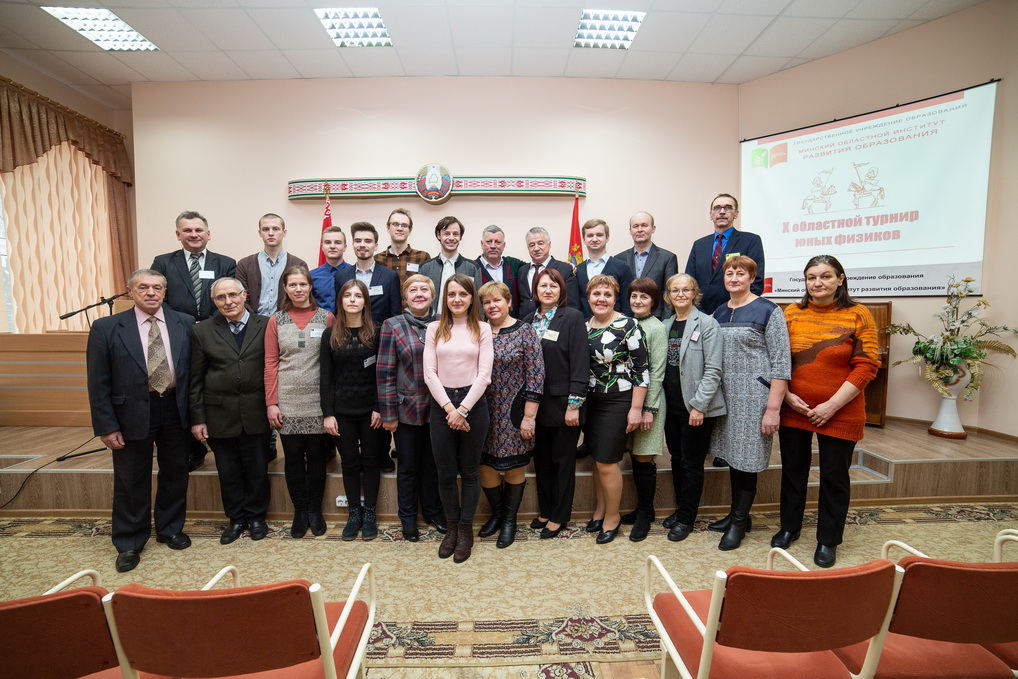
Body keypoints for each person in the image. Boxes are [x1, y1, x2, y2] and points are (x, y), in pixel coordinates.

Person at [86, 269, 193, 573]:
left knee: (176, 472)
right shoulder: (107, 327)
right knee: (131, 478)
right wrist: (106, 425)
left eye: (157, 287)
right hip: (130, 411)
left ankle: (170, 528)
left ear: (165, 292)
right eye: (143, 287)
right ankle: (130, 541)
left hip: (175, 407)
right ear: (130, 291)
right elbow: (98, 381)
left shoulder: (184, 322)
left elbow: (193, 373)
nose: (151, 293)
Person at [776, 255, 879, 568]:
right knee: (793, 471)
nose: (817, 283)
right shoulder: (791, 313)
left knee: (834, 477)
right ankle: (790, 527)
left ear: (840, 279)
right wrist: (787, 396)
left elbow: (867, 365)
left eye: (825, 276)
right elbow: (778, 358)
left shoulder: (858, 313)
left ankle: (828, 540)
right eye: (811, 277)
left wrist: (832, 405)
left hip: (841, 411)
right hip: (794, 408)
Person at [708, 255, 790, 551]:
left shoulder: (769, 310)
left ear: (752, 278)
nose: (734, 278)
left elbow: (782, 362)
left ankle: (739, 523)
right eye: (729, 273)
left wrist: (773, 409)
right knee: (733, 457)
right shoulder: (719, 311)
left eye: (740, 273)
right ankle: (736, 515)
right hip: (726, 398)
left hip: (754, 399)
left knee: (747, 460)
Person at [151, 210, 236, 470]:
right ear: (178, 235)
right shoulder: (163, 263)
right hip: (178, 335)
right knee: (186, 389)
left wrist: (207, 326)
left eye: (198, 230)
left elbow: (230, 298)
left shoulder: (226, 263)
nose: (194, 234)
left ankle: (220, 442)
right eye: (187, 230)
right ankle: (192, 448)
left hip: (217, 334)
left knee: (212, 386)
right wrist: (186, 323)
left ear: (208, 234)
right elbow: (159, 299)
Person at [189, 277, 271, 544]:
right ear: (214, 301)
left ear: (244, 294)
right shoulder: (202, 331)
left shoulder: (266, 324)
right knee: (228, 471)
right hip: (219, 413)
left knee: (257, 468)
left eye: (233, 295)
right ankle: (236, 518)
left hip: (256, 410)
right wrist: (198, 418)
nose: (228, 301)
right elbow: (195, 378)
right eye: (221, 297)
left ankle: (257, 517)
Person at [423, 274, 493, 563]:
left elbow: (484, 375)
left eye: (463, 294)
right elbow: (429, 373)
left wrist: (462, 410)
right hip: (441, 404)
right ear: (445, 298)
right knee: (445, 473)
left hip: (473, 404)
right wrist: (449, 409)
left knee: (470, 471)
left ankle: (466, 530)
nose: (457, 299)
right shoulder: (434, 328)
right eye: (452, 294)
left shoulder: (483, 328)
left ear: (471, 298)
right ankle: (451, 528)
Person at [264, 266, 334, 538]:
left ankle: (315, 511)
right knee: (293, 458)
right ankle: (299, 511)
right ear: (285, 288)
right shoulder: (276, 320)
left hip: (317, 400)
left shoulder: (326, 317)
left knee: (317, 457)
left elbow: (332, 362)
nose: (298, 289)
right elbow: (271, 363)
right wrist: (272, 402)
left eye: (303, 284)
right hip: (287, 400)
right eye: (292, 284)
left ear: (310, 286)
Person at [377, 274, 447, 541]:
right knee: (408, 467)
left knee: (433, 464)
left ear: (432, 296)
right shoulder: (392, 325)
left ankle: (432, 511)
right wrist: (388, 414)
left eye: (424, 290)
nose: (419, 294)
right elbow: (384, 373)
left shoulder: (444, 322)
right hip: (406, 410)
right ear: (405, 297)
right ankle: (407, 518)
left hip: (439, 408)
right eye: (413, 290)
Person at [658, 274, 726, 542]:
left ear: (695, 293)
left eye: (686, 289)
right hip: (671, 407)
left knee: (692, 464)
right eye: (675, 290)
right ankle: (680, 509)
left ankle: (687, 518)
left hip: (696, 408)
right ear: (668, 295)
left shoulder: (707, 324)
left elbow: (714, 369)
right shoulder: (666, 325)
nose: (681, 294)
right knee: (676, 459)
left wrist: (699, 406)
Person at [476, 281, 544, 548]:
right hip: (481, 411)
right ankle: (497, 514)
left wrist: (529, 416)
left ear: (508, 302)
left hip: (515, 411)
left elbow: (536, 375)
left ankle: (509, 521)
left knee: (515, 466)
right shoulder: (478, 331)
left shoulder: (525, 331)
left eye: (497, 300)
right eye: (487, 302)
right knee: (485, 465)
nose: (492, 306)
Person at [583, 274, 649, 544]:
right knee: (597, 460)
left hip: (618, 401)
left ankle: (613, 517)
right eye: (596, 294)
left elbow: (642, 370)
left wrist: (636, 408)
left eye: (607, 295)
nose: (601, 299)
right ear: (588, 297)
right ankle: (600, 511)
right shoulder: (584, 326)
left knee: (608, 462)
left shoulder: (628, 325)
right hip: (591, 401)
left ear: (614, 298)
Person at [524, 267, 588, 539]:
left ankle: (559, 515)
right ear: (535, 291)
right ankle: (546, 510)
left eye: (553, 286)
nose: (548, 290)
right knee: (542, 461)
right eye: (543, 286)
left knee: (562, 462)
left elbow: (580, 361)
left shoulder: (571, 317)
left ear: (561, 290)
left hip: (563, 404)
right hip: (535, 405)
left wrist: (574, 404)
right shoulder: (527, 320)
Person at [321, 279, 386, 541]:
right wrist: (328, 413)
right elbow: (326, 377)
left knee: (371, 462)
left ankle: (369, 513)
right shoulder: (330, 334)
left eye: (358, 296)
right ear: (341, 301)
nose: (352, 300)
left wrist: (380, 407)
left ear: (365, 302)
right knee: (349, 463)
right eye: (347, 295)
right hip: (341, 412)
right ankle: (354, 513)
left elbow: (383, 374)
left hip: (371, 411)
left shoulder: (378, 331)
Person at [620, 278, 665, 542]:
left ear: (653, 301)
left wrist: (649, 408)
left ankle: (646, 514)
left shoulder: (657, 328)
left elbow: (656, 370)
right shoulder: (626, 323)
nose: (638, 301)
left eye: (644, 297)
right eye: (634, 296)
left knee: (644, 456)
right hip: (629, 400)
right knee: (635, 454)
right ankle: (641, 509)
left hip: (650, 403)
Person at [685, 194, 765, 314]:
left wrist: (734, 308)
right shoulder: (699, 245)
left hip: (736, 312)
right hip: (701, 314)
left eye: (728, 207)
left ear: (736, 214)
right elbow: (689, 281)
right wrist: (700, 313)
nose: (722, 212)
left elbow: (756, 281)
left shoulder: (751, 241)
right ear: (711, 214)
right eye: (717, 208)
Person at [236, 213, 309, 315]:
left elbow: (301, 298)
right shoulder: (244, 264)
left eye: (276, 229)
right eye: (265, 229)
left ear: (284, 232)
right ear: (260, 233)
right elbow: (241, 297)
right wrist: (254, 320)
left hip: (286, 321)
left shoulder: (299, 264)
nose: (271, 233)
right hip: (253, 321)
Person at [334, 221, 402, 325]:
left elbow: (395, 315)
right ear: (353, 245)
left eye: (368, 241)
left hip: (380, 333)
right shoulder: (341, 276)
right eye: (358, 241)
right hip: (349, 332)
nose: (362, 245)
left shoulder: (390, 277)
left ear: (376, 246)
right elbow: (338, 311)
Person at [615, 211, 678, 319]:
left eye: (644, 225)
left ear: (653, 229)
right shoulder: (619, 259)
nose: (640, 229)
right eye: (635, 226)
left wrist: (666, 323)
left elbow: (669, 294)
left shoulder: (667, 258)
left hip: (656, 319)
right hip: (626, 320)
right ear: (630, 231)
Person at [419, 216, 483, 314]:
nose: (451, 238)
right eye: (447, 234)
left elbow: (478, 302)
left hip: (464, 321)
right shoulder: (425, 268)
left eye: (455, 234)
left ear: (460, 237)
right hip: (432, 321)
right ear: (439, 235)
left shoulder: (472, 268)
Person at [574, 218, 634, 318]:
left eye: (599, 235)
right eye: (590, 235)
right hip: (584, 325)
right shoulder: (577, 270)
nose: (594, 239)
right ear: (583, 239)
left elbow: (627, 304)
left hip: (615, 325)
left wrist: (625, 325)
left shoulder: (622, 267)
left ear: (607, 237)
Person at [517, 227, 581, 317]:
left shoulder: (565, 269)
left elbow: (572, 305)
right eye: (532, 245)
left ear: (549, 245)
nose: (536, 248)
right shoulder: (522, 271)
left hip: (556, 323)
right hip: (526, 322)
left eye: (540, 243)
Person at [475, 225, 524, 315]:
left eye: (497, 242)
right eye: (489, 242)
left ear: (504, 245)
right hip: (483, 322)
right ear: (481, 244)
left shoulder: (515, 265)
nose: (493, 246)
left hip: (512, 321)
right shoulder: (472, 268)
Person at [375, 208, 431, 286]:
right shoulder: (377, 259)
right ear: (388, 228)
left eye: (404, 225)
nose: (399, 228)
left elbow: (429, 287)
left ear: (410, 230)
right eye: (395, 224)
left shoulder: (423, 257)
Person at [310, 225, 352, 313]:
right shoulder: (311, 276)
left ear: (345, 247)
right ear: (322, 247)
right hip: (321, 321)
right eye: (328, 242)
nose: (332, 246)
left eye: (338, 242)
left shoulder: (355, 273)